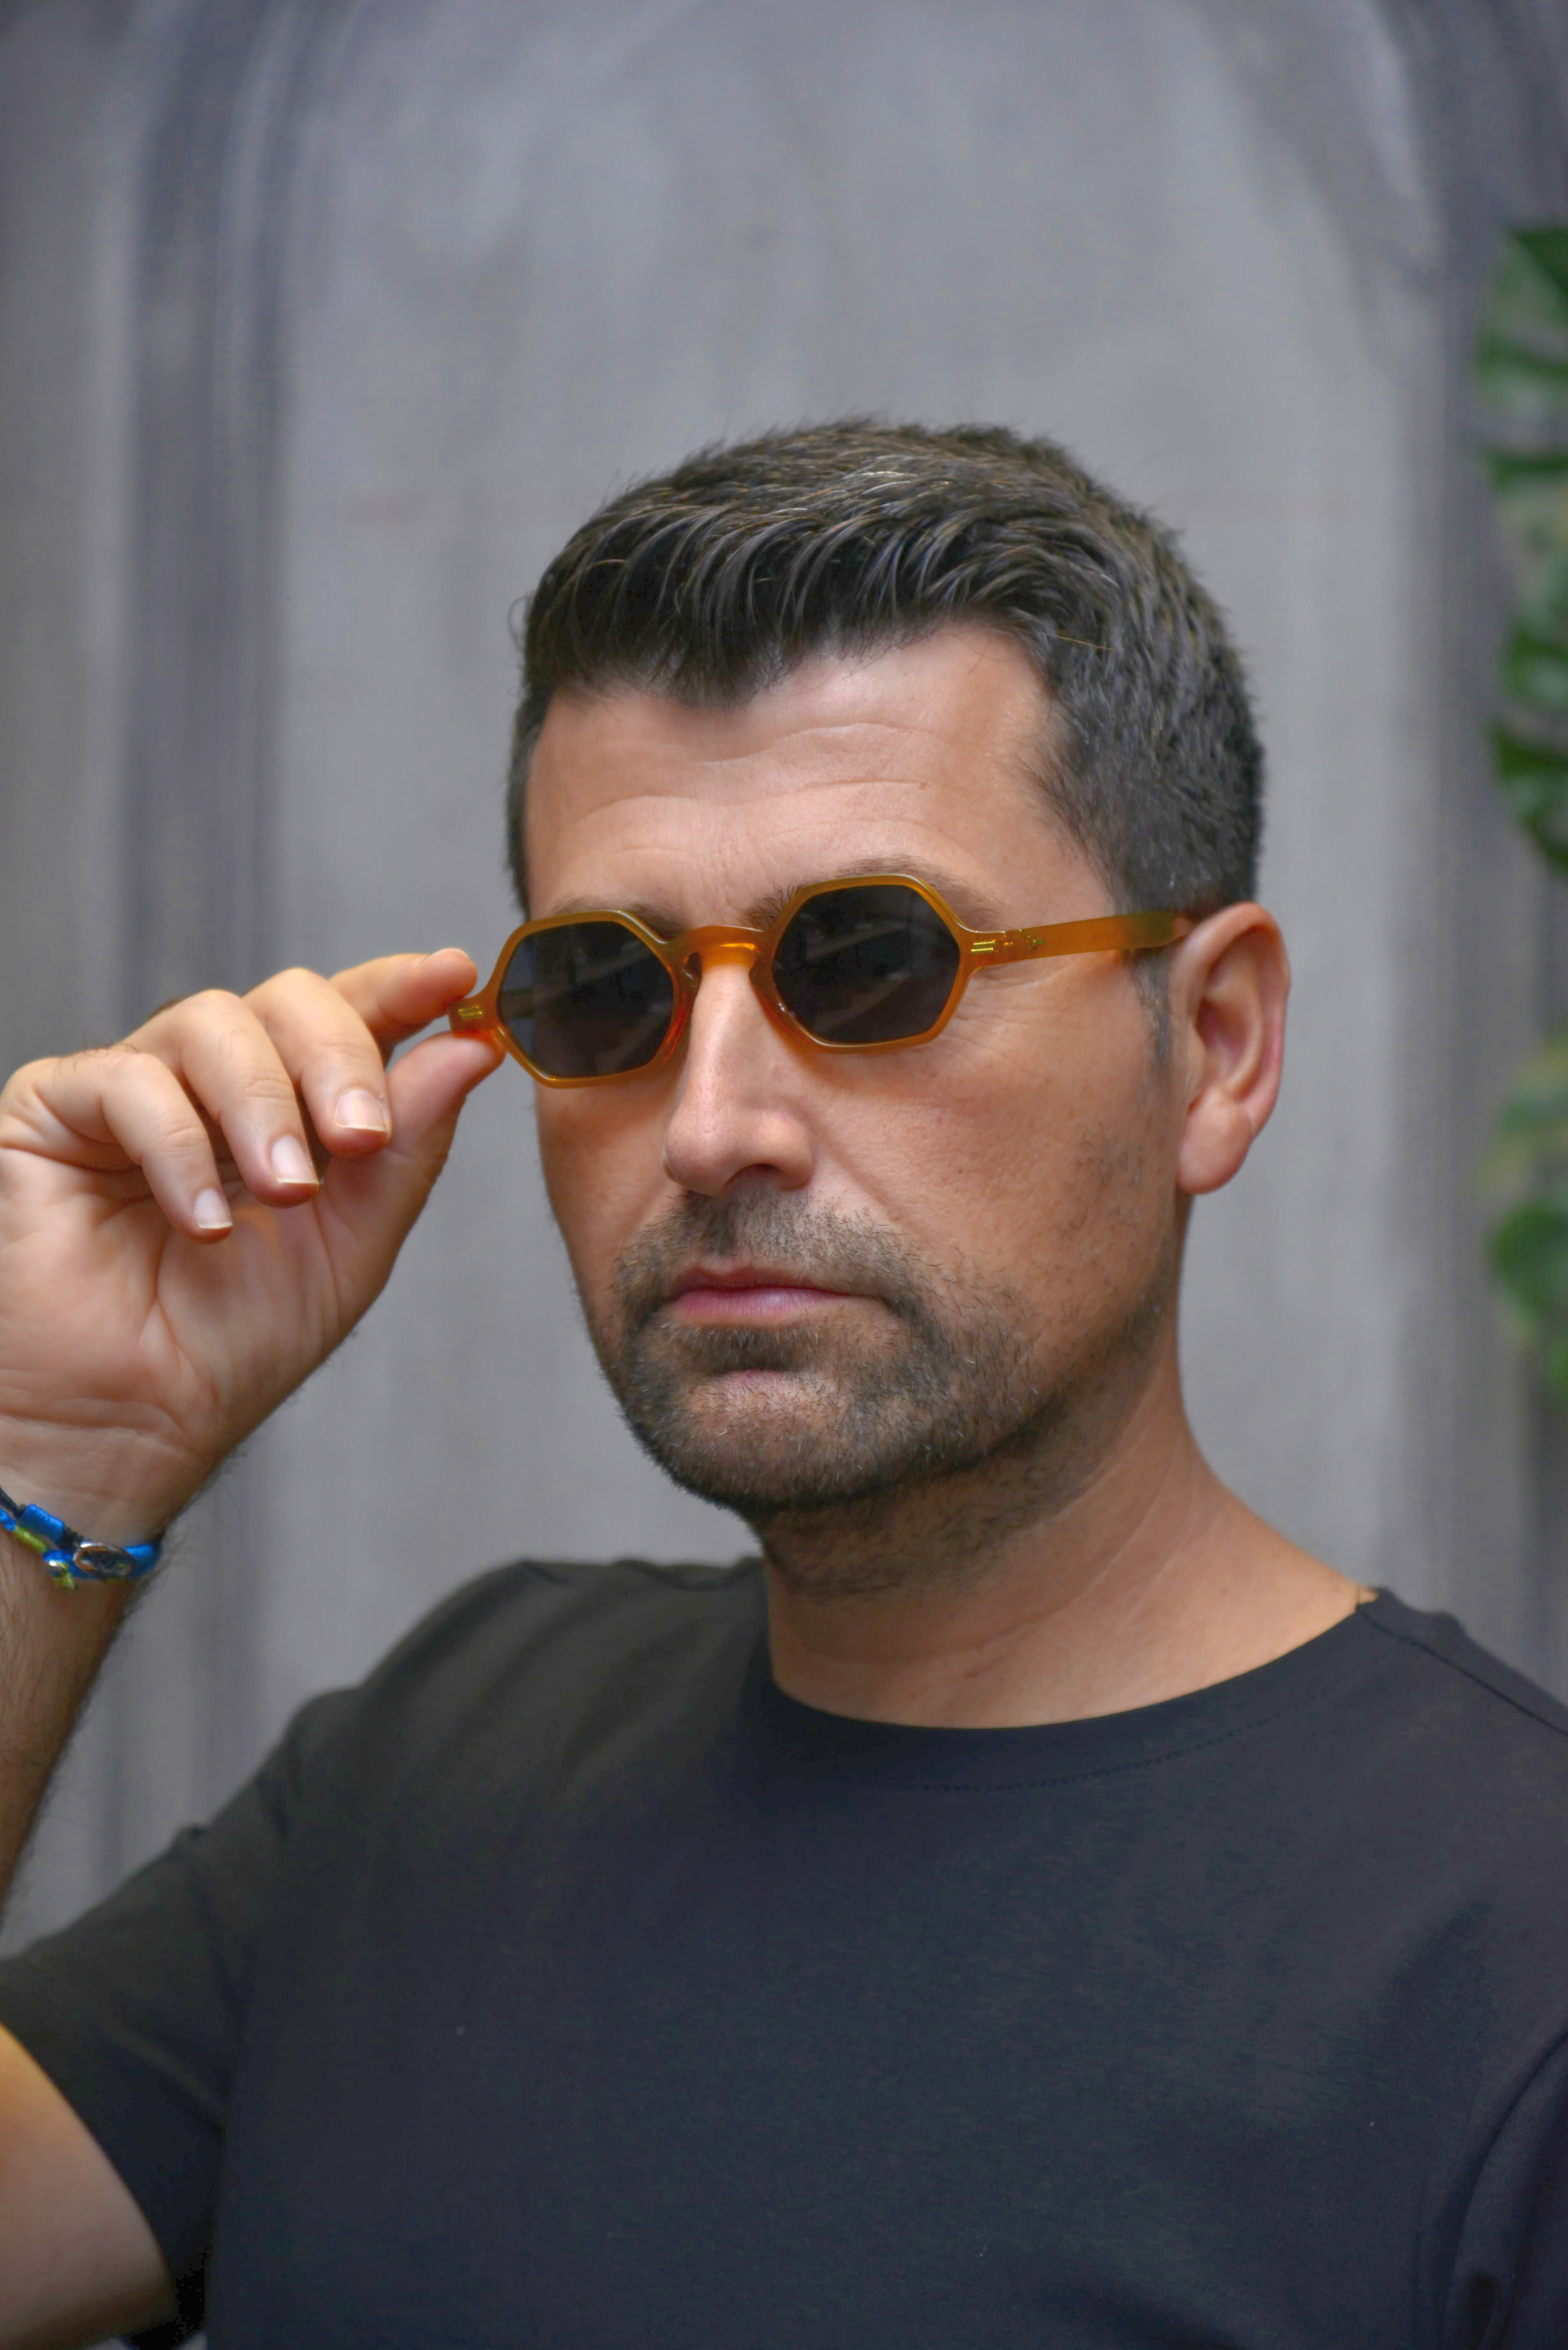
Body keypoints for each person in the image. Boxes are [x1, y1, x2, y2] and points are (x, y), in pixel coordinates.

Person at [0, 420, 1565, 2350]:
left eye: (874, 963)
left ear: (1217, 1046)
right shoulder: (434, 1759)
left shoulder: (1510, 1955)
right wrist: (57, 1447)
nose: (711, 1124)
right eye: (612, 991)